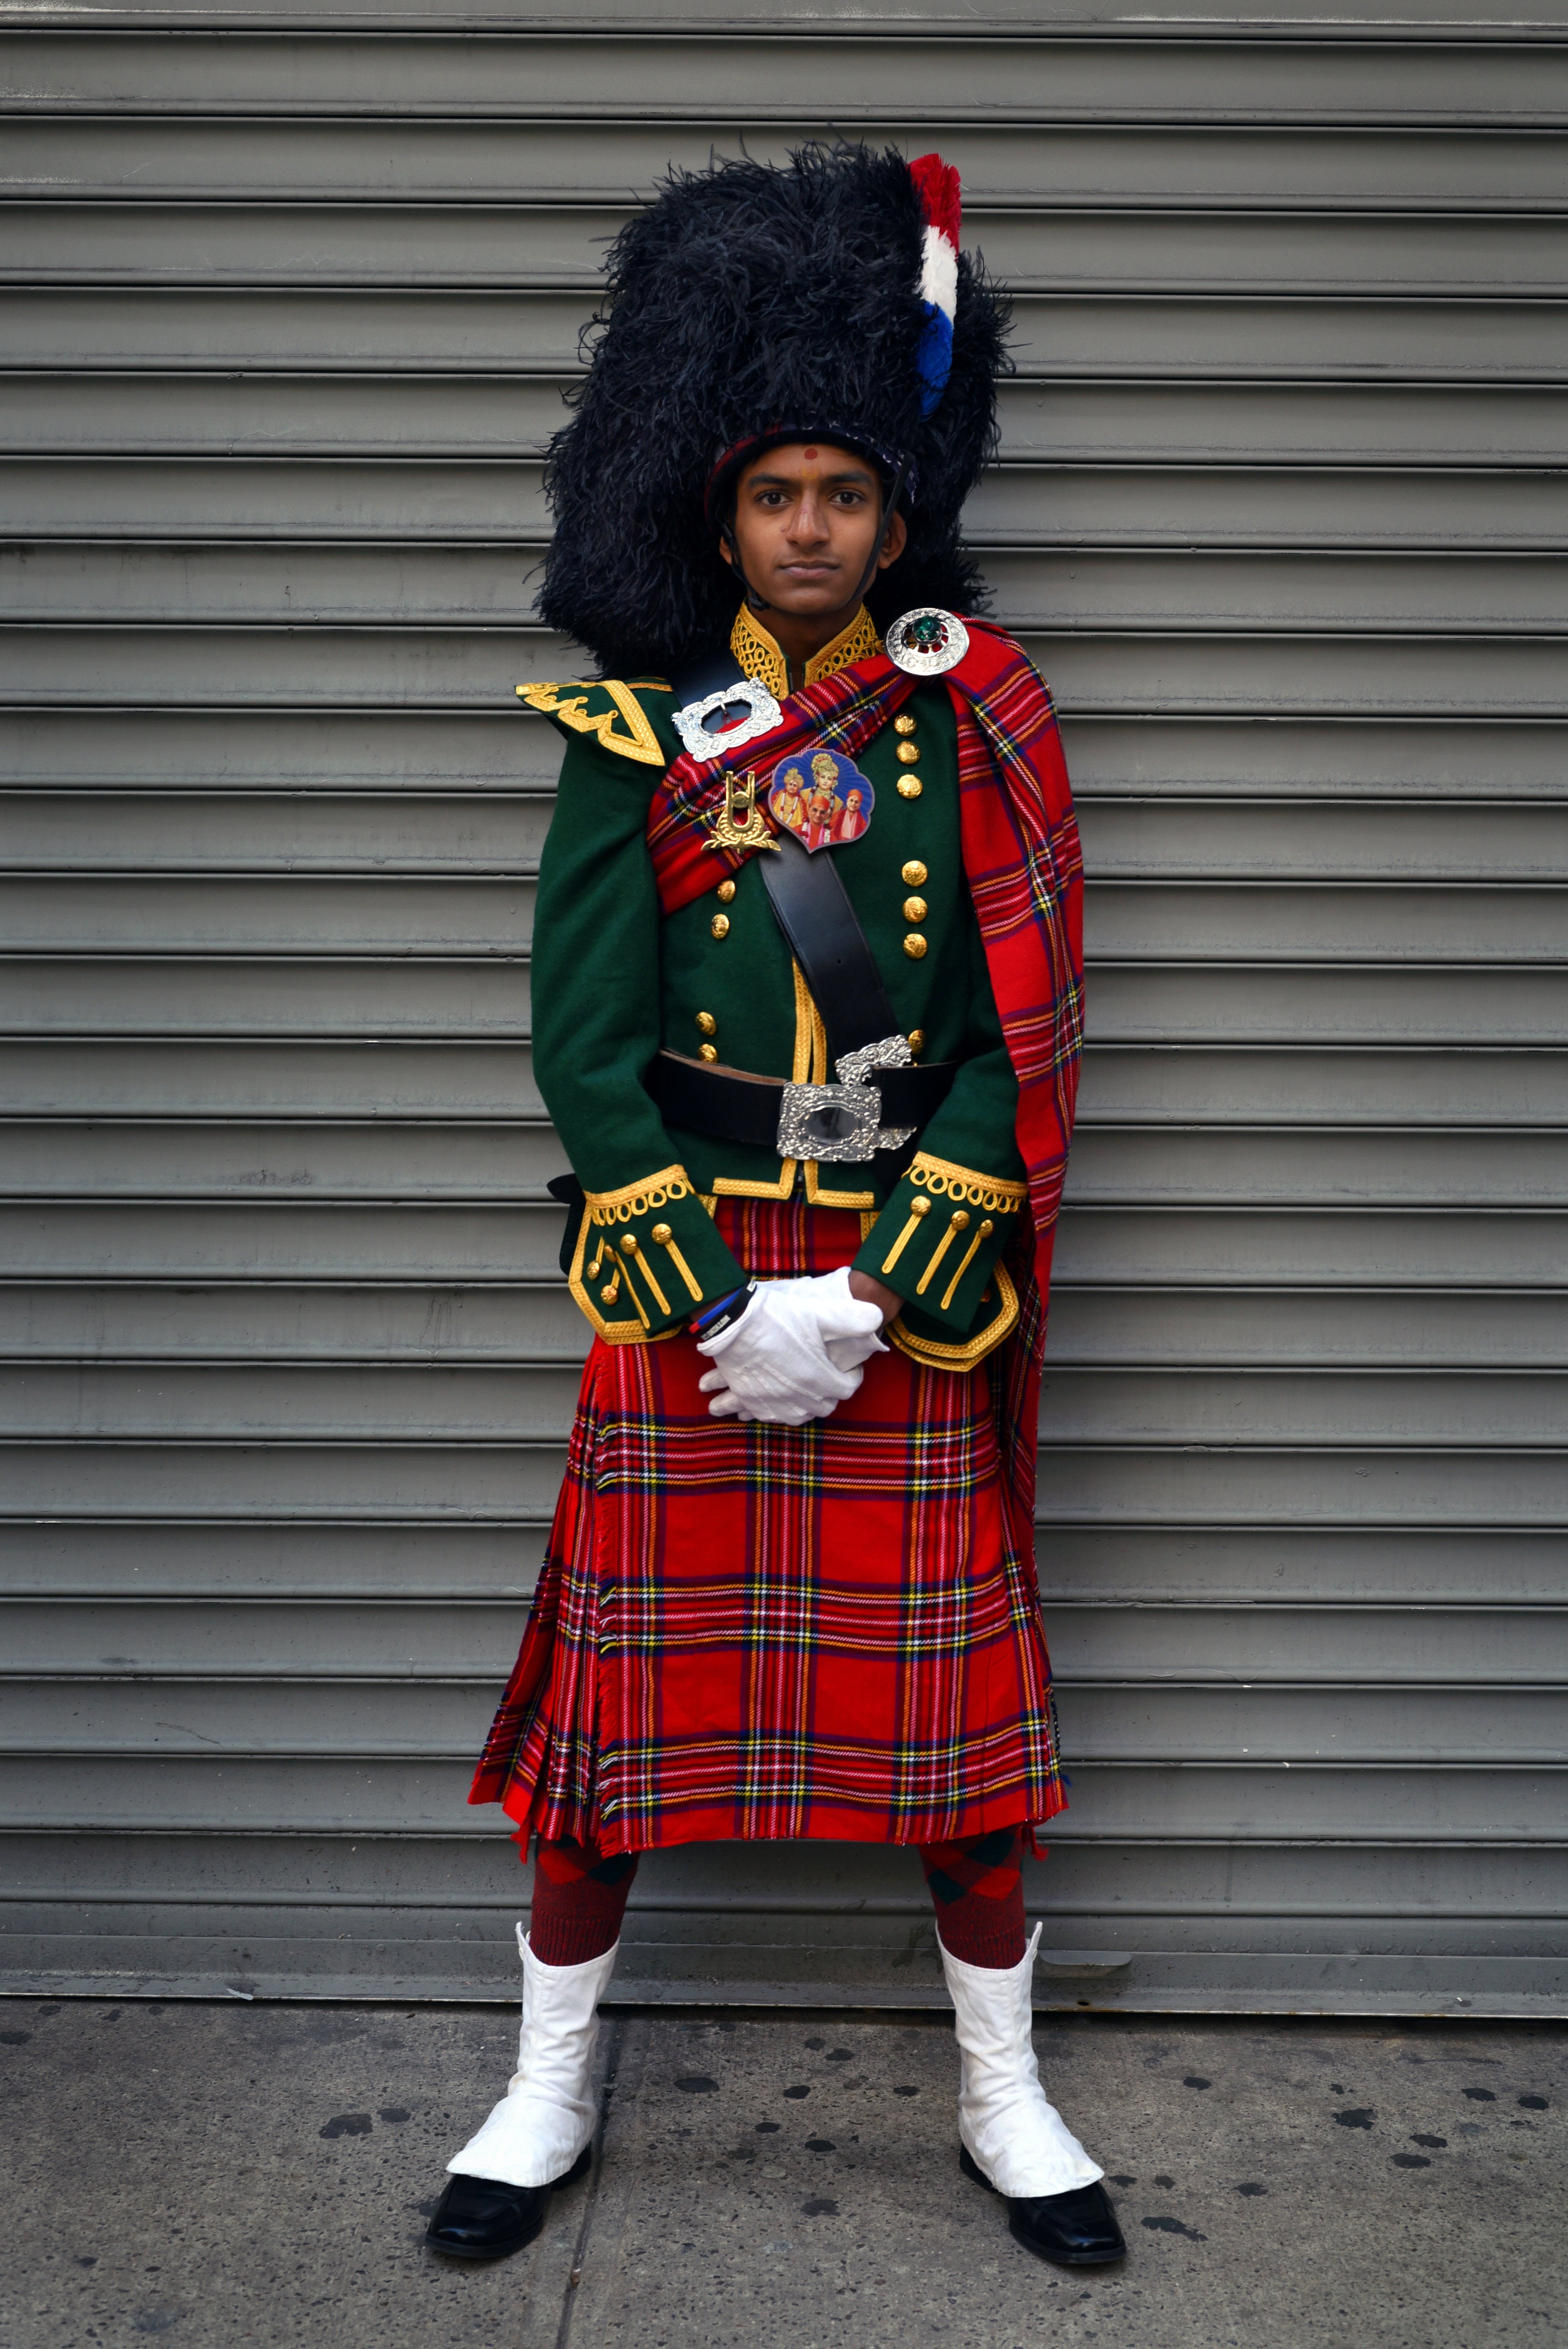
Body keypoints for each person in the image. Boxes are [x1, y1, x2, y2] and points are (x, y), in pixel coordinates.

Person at [424, 144, 1123, 2275]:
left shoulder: (976, 717)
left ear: (897, 512)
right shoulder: (636, 735)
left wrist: (909, 1273)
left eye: (843, 493)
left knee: (964, 1739)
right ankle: (547, 2082)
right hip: (695, 1281)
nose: (808, 529)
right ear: (714, 513)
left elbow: (1032, 1010)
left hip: (903, 1273)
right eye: (771, 495)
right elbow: (578, 1027)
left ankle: (1007, 2099)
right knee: (609, 1736)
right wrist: (716, 1289)